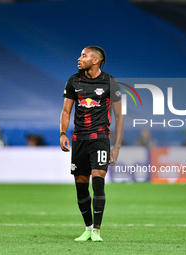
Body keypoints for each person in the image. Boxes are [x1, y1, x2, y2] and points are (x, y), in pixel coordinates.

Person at [59, 46, 124, 242]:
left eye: (84, 55)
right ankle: (87, 227)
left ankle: (97, 230)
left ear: (95, 60)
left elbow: (119, 116)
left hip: (100, 138)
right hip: (79, 139)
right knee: (80, 184)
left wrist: (117, 146)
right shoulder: (73, 81)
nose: (79, 58)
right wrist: (62, 133)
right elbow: (65, 112)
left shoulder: (110, 82)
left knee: (98, 179)